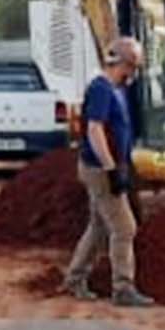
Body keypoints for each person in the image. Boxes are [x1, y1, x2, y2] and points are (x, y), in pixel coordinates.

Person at [62, 36, 155, 307]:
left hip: (105, 166)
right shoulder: (101, 89)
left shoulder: (116, 89)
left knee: (99, 226)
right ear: (123, 64)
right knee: (125, 228)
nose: (133, 74)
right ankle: (123, 288)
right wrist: (111, 168)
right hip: (100, 168)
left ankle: (74, 278)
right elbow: (94, 129)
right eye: (132, 68)